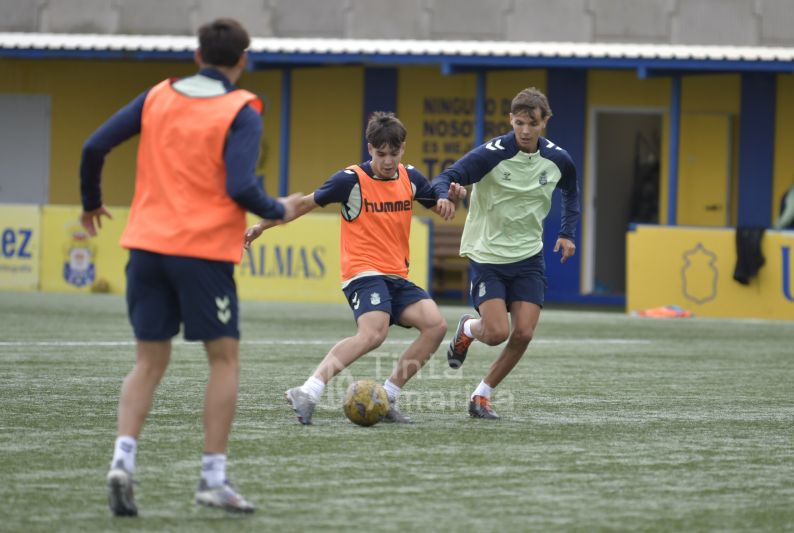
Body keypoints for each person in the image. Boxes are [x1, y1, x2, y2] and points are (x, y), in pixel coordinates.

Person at [80, 18, 302, 516]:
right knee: (222, 360)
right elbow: (241, 187)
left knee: (149, 362)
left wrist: (92, 202)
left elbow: (93, 146)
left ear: (197, 54)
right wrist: (280, 209)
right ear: (242, 60)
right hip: (202, 253)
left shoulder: (157, 95)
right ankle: (212, 479)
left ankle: (122, 461)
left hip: (146, 247)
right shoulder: (241, 109)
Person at [244, 111, 465, 425]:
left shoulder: (411, 177)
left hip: (396, 275)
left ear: (403, 149)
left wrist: (450, 198)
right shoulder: (350, 180)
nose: (387, 161)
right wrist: (262, 226)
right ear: (370, 148)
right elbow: (304, 204)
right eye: (380, 153)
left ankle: (387, 397)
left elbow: (441, 205)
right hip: (362, 272)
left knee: (435, 326)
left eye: (394, 153)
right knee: (373, 333)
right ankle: (307, 391)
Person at [431, 86, 580, 420]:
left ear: (545, 123)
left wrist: (568, 233)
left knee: (524, 333)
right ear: (510, 120)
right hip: (488, 255)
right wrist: (445, 195)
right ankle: (469, 329)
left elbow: (571, 192)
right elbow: (449, 176)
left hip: (529, 257)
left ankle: (481, 396)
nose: (525, 131)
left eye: (532, 124)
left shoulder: (558, 159)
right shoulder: (491, 153)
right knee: (497, 333)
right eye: (519, 123)